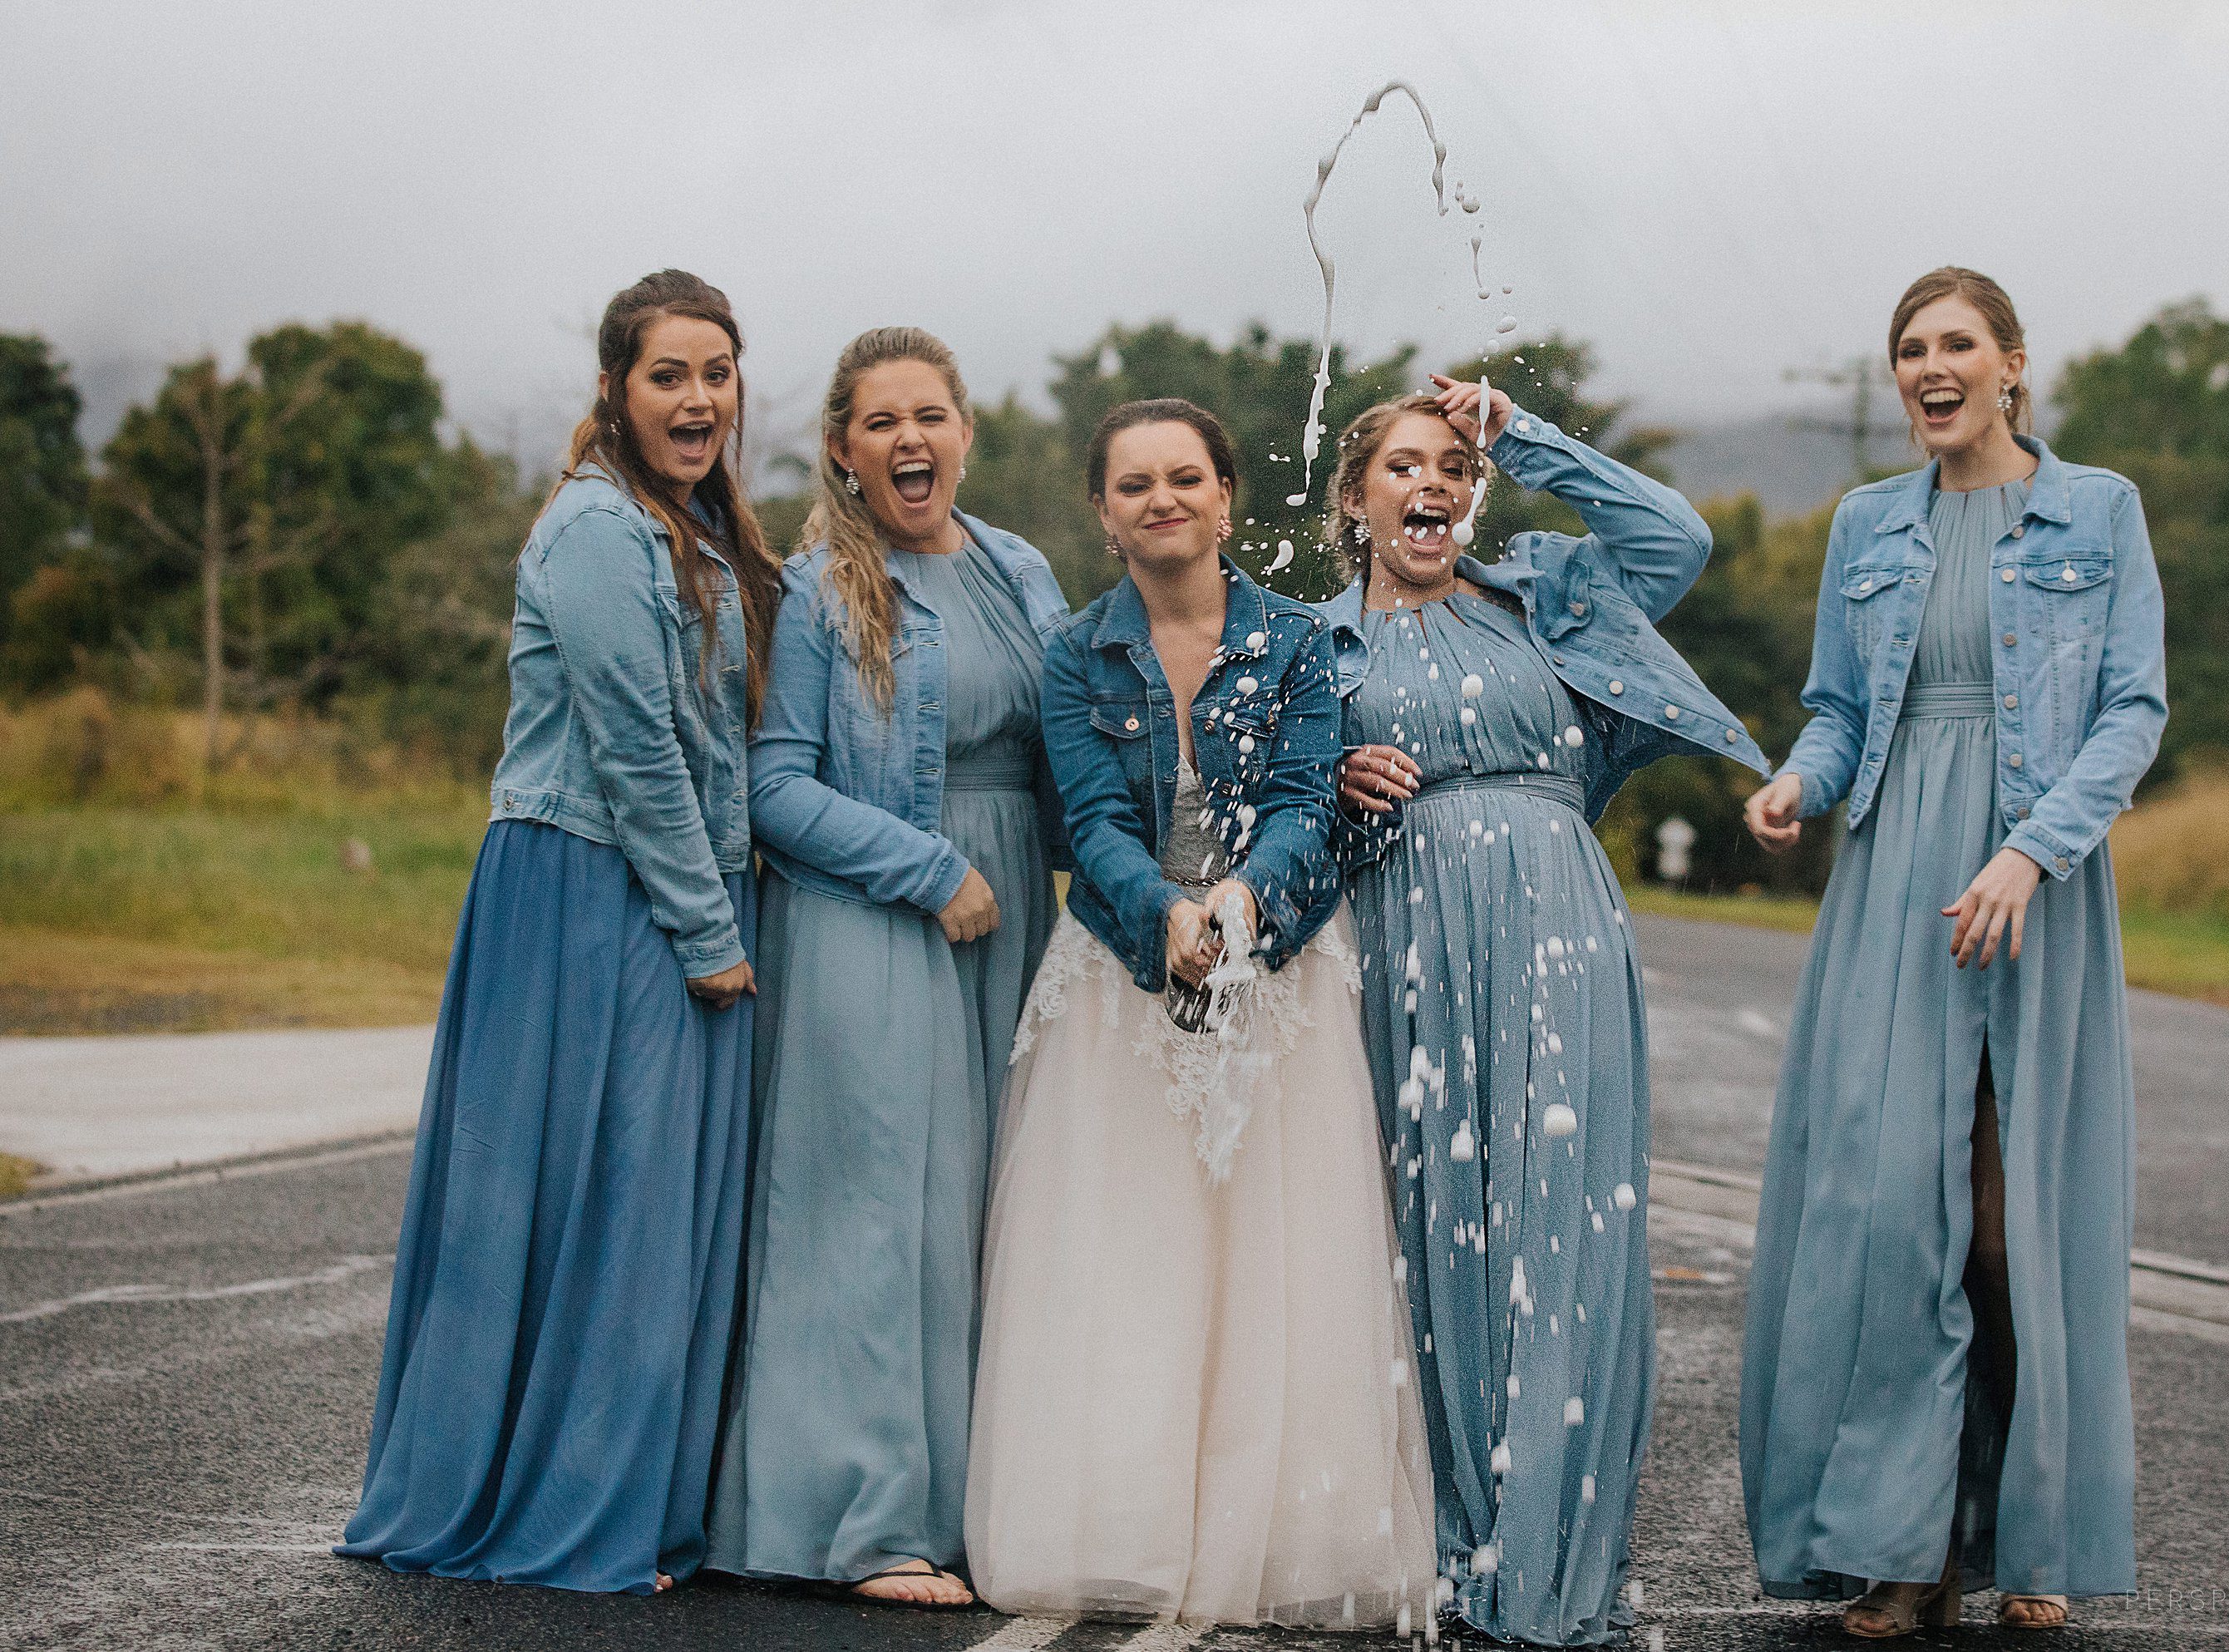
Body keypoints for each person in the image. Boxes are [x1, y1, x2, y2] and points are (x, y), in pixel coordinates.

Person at [1738, 268, 2165, 1636]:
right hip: (1893, 889)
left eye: (1957, 346)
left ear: (2012, 367)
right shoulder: (1868, 523)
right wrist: (1797, 782)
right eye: (1911, 351)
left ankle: (2022, 1529)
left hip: (2030, 882)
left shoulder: (2099, 509)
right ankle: (1900, 1550)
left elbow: (2132, 712)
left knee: (2005, 1223)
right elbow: (1840, 711)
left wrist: (2032, 850)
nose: (1931, 368)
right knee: (1881, 1216)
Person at [337, 269, 777, 1595]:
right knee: (597, 1206)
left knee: (640, 1208)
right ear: (615, 391)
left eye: (716, 373)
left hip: (658, 882)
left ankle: (616, 1497)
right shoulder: (596, 531)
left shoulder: (695, 531)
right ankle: (558, 1510)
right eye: (668, 377)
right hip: (587, 889)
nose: (697, 399)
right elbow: (638, 750)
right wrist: (709, 930)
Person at [964, 398, 1433, 1630]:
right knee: (1129, 1250)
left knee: (1275, 1249)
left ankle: (1274, 1533)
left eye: (1186, 477)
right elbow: (1092, 820)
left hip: (1271, 967)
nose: (1162, 500)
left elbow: (1299, 800)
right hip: (1121, 973)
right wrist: (1158, 915)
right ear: (1104, 513)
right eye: (1135, 485)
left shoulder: (1295, 642)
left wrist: (1233, 904)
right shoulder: (1075, 654)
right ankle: (1118, 1523)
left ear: (1227, 496)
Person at [1318, 376, 1764, 1645]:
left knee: (1561, 1225)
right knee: (1432, 1224)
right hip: (1405, 934)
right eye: (1406, 465)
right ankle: (1454, 1543)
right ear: (1355, 499)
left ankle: (1550, 1560)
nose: (1435, 485)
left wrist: (1523, 434)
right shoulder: (1309, 638)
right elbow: (1254, 798)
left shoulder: (1547, 592)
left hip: (1561, 926)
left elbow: (1676, 539)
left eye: (1456, 467)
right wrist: (1330, 770)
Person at [703, 328, 1066, 1608]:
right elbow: (772, 789)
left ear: (966, 430)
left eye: (932, 414)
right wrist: (926, 872)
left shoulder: (1021, 571)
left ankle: (963, 1501)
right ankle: (861, 1524)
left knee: (974, 1218)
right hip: (876, 914)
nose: (911, 439)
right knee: (871, 1219)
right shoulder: (818, 590)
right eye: (881, 422)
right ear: (845, 453)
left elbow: (1082, 748)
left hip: (1012, 914)